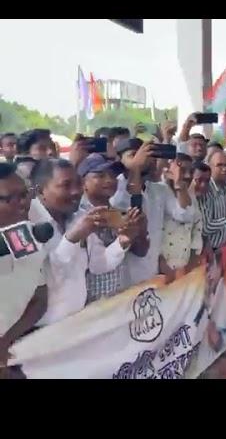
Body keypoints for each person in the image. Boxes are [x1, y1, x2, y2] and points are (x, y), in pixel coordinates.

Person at [28, 159, 110, 324]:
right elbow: (45, 280)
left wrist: (124, 241)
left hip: (75, 324)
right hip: (39, 332)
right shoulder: (27, 225)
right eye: (66, 185)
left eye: (78, 184)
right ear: (40, 191)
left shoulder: (80, 216)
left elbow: (99, 264)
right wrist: (72, 239)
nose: (76, 192)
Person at [110, 138, 195, 284]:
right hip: (125, 279)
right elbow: (128, 203)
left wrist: (179, 183)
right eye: (133, 155)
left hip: (152, 273)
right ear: (119, 159)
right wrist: (135, 168)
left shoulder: (159, 189)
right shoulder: (114, 187)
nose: (141, 160)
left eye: (144, 155)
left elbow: (185, 215)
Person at [77, 154, 149, 303]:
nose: (109, 180)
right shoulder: (77, 216)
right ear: (83, 182)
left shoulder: (120, 213)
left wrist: (138, 231)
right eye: (100, 175)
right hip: (87, 306)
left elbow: (141, 252)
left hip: (117, 300)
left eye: (112, 175)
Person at [0, 164, 48, 378]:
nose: (23, 204)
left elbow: (40, 299)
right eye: (11, 198)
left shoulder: (30, 237)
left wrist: (6, 340)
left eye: (24, 195)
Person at [157, 153, 202, 282]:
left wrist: (193, 260)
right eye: (182, 171)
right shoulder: (159, 191)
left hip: (185, 264)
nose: (187, 176)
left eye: (191, 171)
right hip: (161, 267)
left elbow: (197, 226)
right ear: (168, 172)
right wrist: (161, 262)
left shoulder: (190, 194)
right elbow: (154, 229)